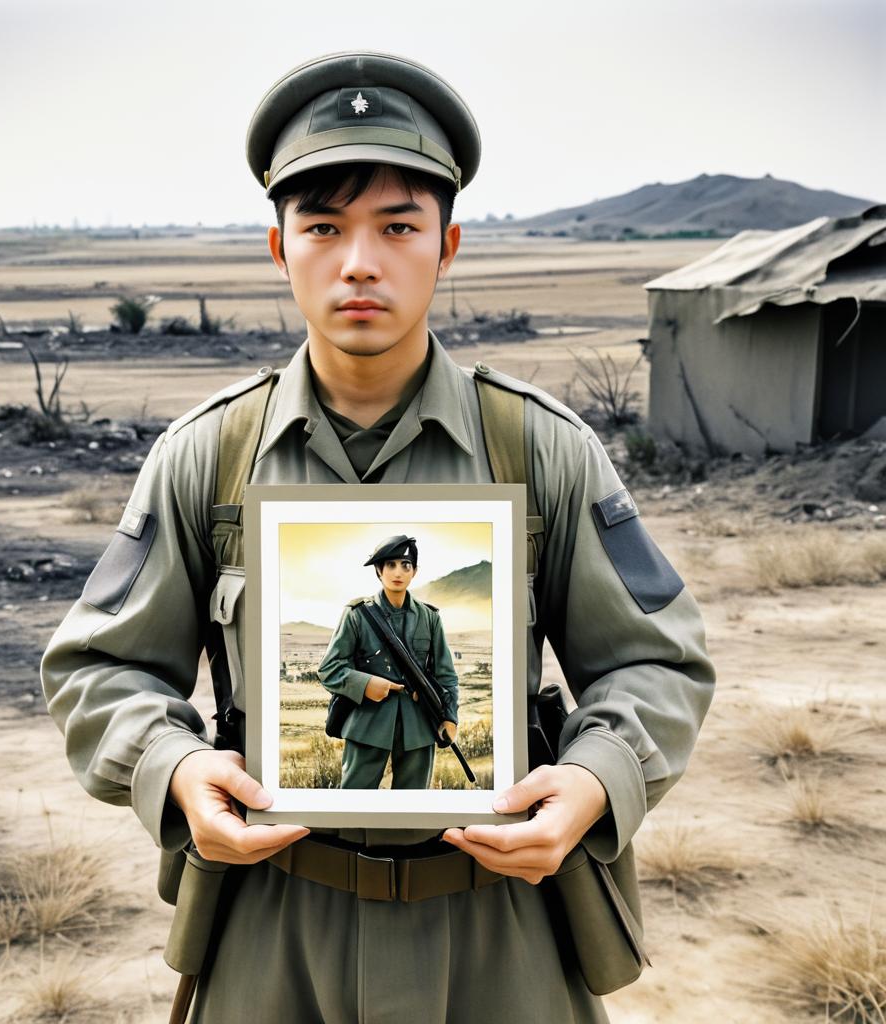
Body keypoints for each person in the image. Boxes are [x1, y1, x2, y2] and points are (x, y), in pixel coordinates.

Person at [41, 50, 714, 1023]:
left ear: (446, 247)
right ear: (280, 249)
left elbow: (657, 662)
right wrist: (176, 768)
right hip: (277, 929)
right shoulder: (205, 458)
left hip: (500, 936)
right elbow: (98, 668)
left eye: (398, 227)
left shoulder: (543, 451)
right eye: (322, 227)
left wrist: (592, 781)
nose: (359, 261)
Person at [317, 534, 460, 790]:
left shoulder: (430, 618)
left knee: (413, 806)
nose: (398, 572)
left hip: (418, 726)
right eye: (391, 565)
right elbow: (329, 669)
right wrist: (366, 683)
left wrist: (450, 717)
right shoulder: (358, 614)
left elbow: (445, 675)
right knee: (354, 800)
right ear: (379, 571)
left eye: (406, 565)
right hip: (367, 723)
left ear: (415, 571)